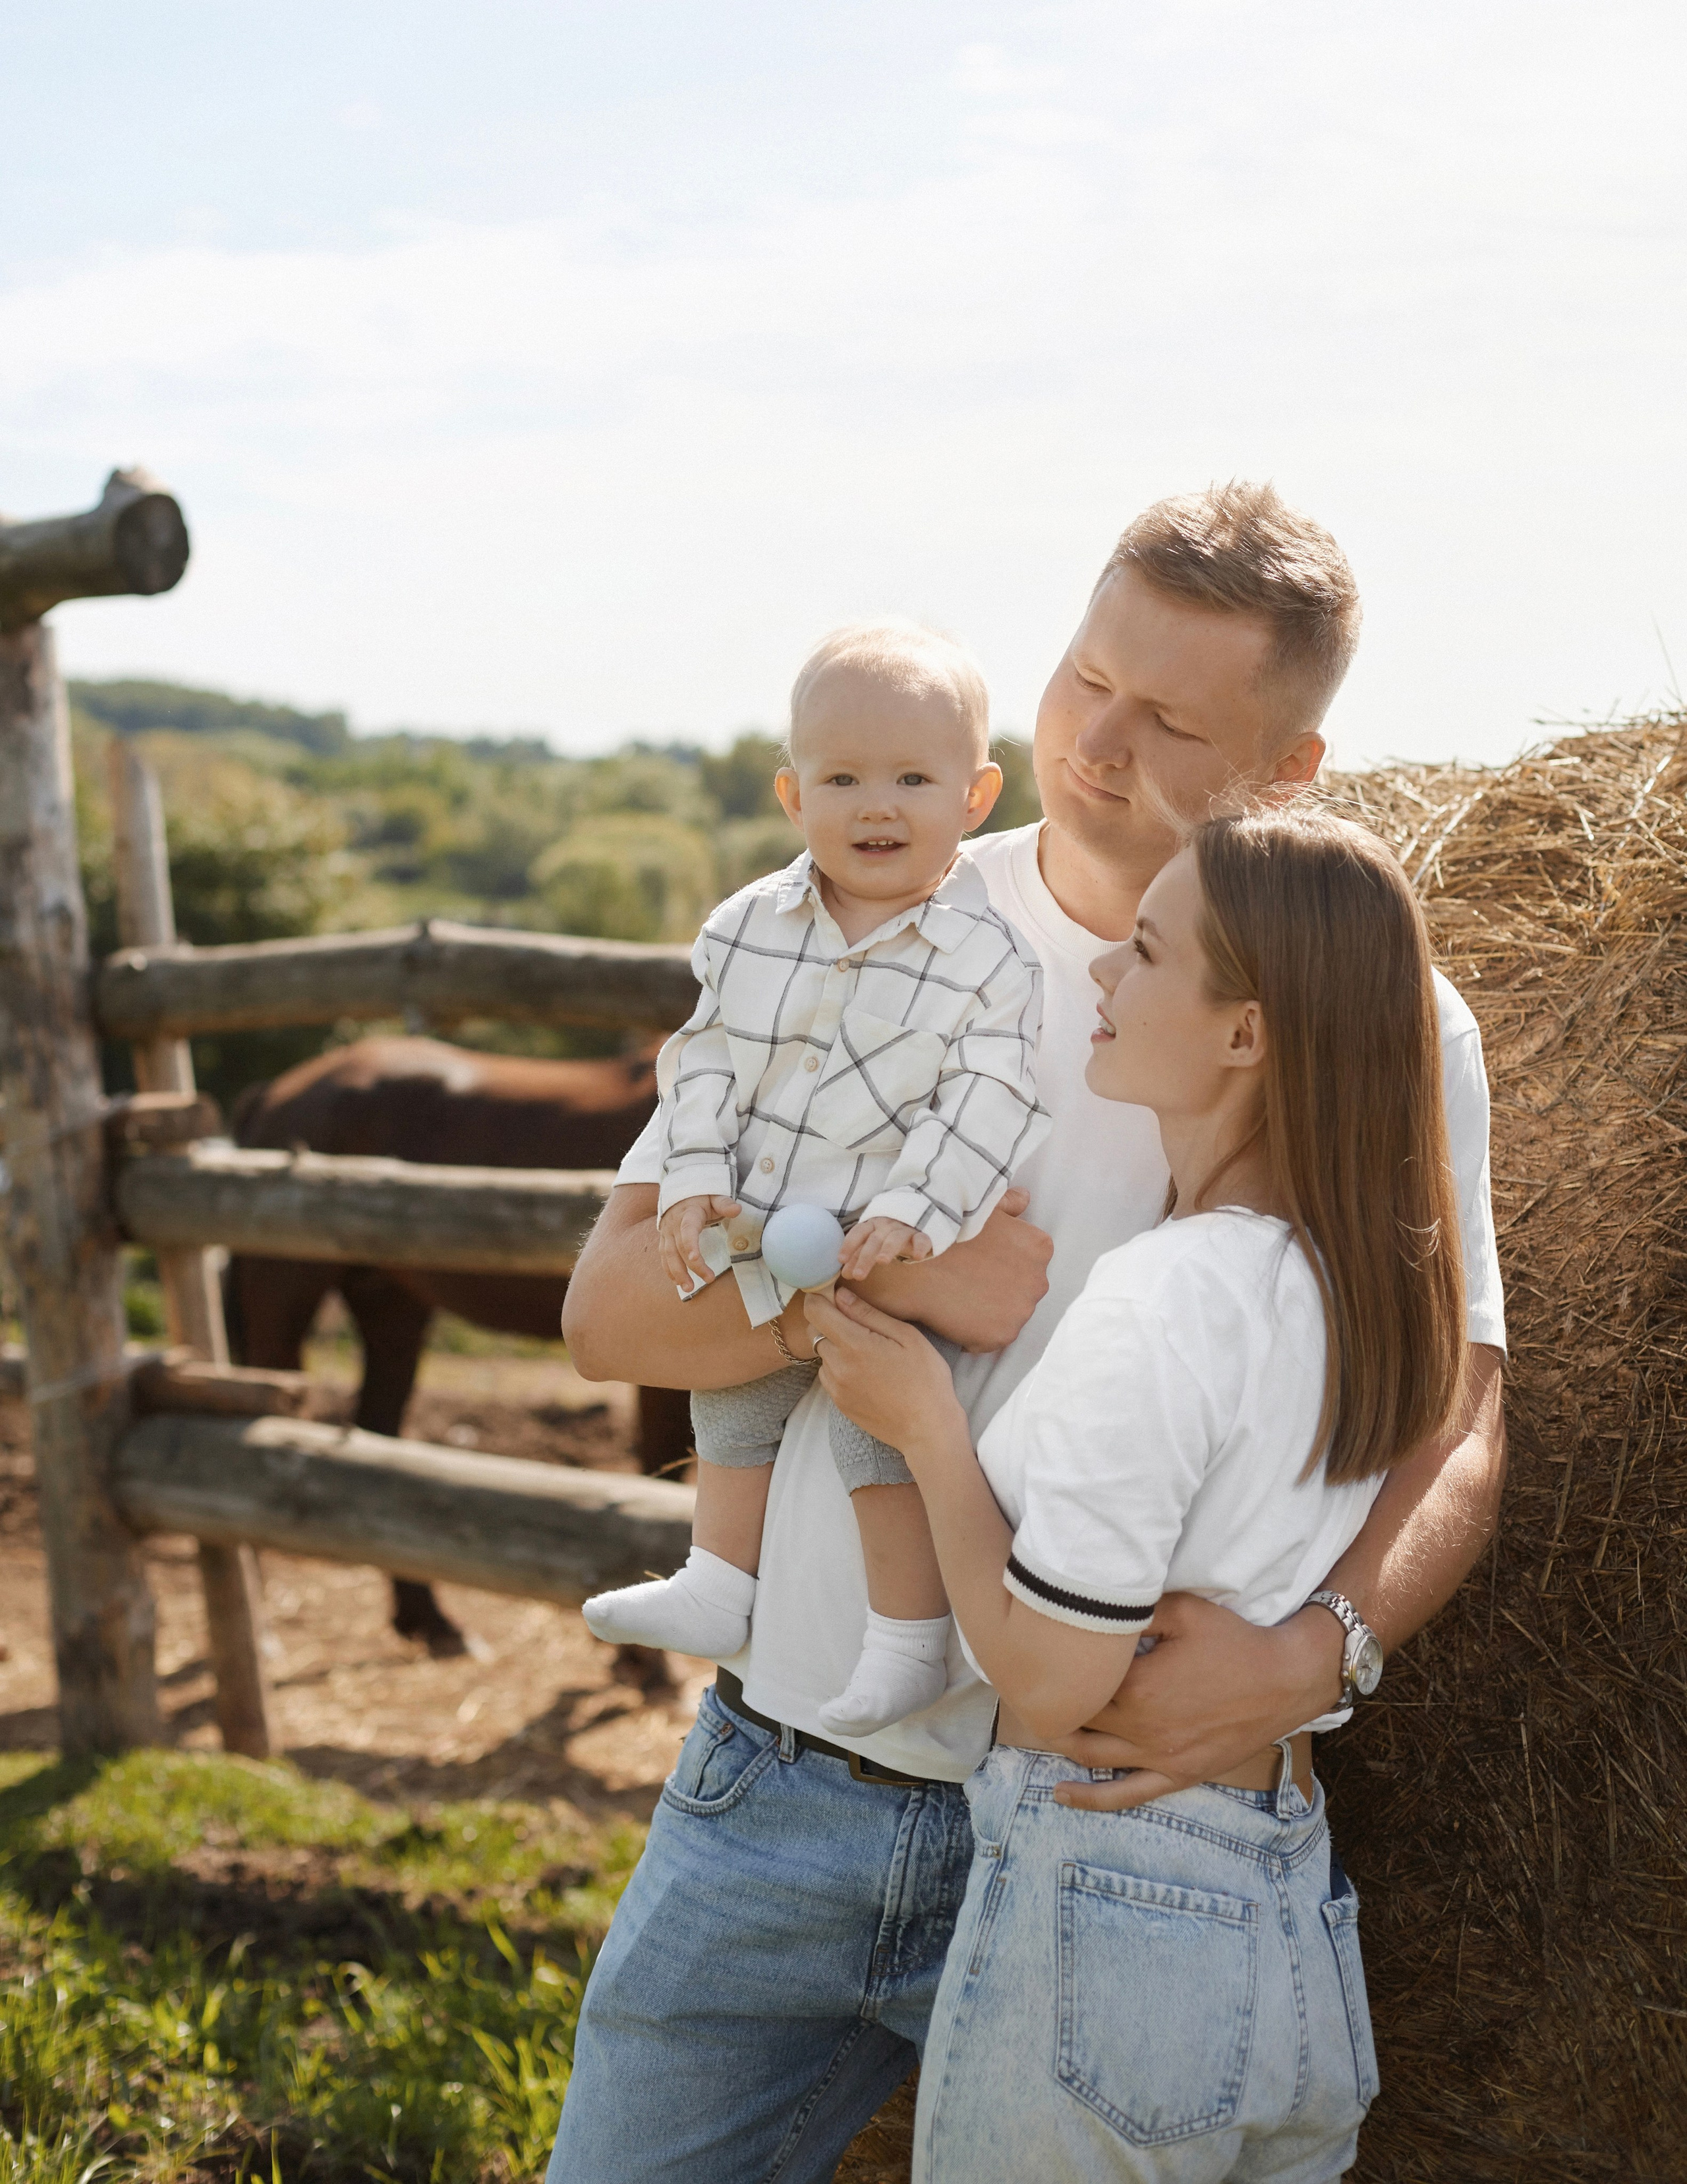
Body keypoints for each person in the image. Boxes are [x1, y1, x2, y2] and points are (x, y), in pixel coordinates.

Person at [546, 482, 1506, 2184]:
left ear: (1291, 767)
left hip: (1124, 1828)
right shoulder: (853, 922)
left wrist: (1324, 1649)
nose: (1099, 742)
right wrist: (892, 1283)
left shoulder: (1386, 1019)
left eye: (1174, 719)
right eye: (1085, 678)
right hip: (787, 1784)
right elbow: (610, 1314)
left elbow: (1458, 1411)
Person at [807, 806, 1461, 2180]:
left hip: (1112, 1912)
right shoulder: (1362, 1289)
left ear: (1244, 1032)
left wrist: (925, 1425)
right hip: (1289, 1910)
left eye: (1145, 951)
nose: (1100, 974)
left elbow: (1052, 1678)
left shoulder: (1169, 1292)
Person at [581, 620, 1048, 1735]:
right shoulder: (746, 927)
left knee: (871, 1421)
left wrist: (912, 1212)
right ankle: (718, 1577)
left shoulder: (987, 958)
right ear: (793, 795)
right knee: (729, 1394)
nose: (875, 805)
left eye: (912, 778)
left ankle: (907, 1640)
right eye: (842, 778)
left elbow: (992, 1098)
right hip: (762, 1232)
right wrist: (692, 1177)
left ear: (976, 797)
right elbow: (701, 1066)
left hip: (886, 1243)